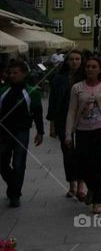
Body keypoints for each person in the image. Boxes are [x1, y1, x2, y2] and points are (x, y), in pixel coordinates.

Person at [64, 56, 101, 215]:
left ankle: (97, 201)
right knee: (83, 165)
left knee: (98, 166)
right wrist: (68, 134)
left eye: (94, 66)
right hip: (82, 131)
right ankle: (92, 189)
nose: (90, 69)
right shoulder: (77, 88)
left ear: (100, 69)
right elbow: (71, 111)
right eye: (88, 66)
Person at [0, 60, 44, 207]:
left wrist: (40, 131)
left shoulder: (32, 92)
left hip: (21, 131)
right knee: (2, 162)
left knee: (19, 163)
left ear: (24, 74)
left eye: (15, 73)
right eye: (10, 73)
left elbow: (37, 112)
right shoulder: (2, 91)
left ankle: (15, 194)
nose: (12, 75)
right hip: (3, 131)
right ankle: (13, 184)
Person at [47, 50, 85, 199]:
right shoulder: (58, 79)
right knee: (68, 154)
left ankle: (81, 185)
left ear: (81, 60)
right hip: (62, 119)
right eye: (71, 59)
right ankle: (72, 184)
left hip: (83, 120)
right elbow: (52, 100)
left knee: (81, 153)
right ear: (66, 61)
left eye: (77, 59)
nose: (74, 62)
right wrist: (52, 124)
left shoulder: (85, 78)